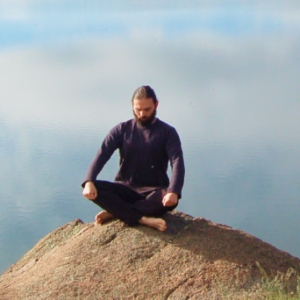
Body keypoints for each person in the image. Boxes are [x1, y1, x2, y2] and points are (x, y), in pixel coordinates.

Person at [82, 86, 185, 232]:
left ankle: (117, 211)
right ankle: (142, 219)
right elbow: (102, 154)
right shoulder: (121, 129)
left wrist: (174, 191)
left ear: (156, 105)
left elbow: (177, 162)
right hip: (125, 187)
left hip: (154, 190)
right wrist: (89, 181)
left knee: (169, 202)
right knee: (94, 189)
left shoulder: (167, 132)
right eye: (138, 109)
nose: (142, 114)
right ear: (132, 105)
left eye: (147, 109)